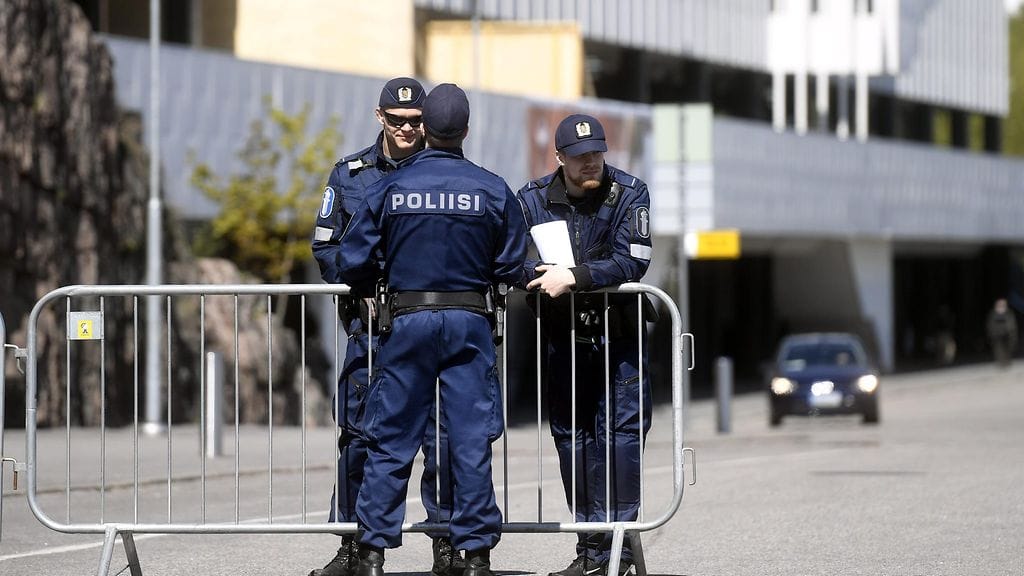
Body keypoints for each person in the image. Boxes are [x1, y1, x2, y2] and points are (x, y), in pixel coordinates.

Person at [337, 83, 526, 576]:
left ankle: (373, 552)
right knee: (468, 438)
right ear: (465, 129)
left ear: (424, 128)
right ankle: (476, 554)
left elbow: (351, 260)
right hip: (469, 323)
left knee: (391, 437)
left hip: (406, 322)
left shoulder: (388, 188)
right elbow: (511, 265)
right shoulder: (492, 187)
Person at [310, 77, 462, 576]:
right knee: (358, 438)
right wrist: (368, 282)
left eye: (416, 121)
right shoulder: (350, 174)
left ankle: (447, 544)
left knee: (440, 441)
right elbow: (327, 249)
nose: (406, 130)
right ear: (380, 117)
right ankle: (352, 546)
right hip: (371, 334)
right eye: (396, 121)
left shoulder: (444, 172)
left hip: (426, 327)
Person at [516, 114, 653, 576]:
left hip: (621, 338)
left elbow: (631, 262)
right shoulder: (531, 200)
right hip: (565, 339)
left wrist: (573, 277)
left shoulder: (629, 192)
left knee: (621, 438)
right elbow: (513, 260)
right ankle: (591, 550)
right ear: (559, 159)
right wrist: (537, 276)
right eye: (579, 158)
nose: (590, 163)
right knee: (573, 442)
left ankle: (618, 549)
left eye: (595, 153)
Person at [986, 298, 1018, 369]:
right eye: (1000, 304)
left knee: (1008, 348)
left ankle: (1007, 361)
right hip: (997, 334)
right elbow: (990, 324)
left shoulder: (1008, 313)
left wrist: (1012, 332)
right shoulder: (993, 313)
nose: (1002, 305)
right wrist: (992, 332)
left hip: (1007, 333)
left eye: (1003, 304)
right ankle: (1001, 362)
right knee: (998, 349)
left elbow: (1012, 323)